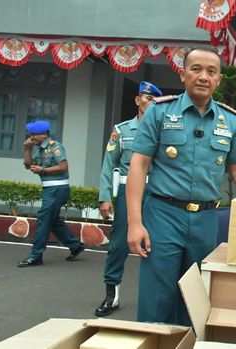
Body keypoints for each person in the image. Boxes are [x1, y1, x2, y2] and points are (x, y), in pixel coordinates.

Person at [126, 47, 236, 326]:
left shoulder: (229, 121)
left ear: (219, 79)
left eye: (211, 71)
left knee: (194, 296)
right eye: (196, 69)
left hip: (206, 219)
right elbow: (139, 166)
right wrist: (135, 223)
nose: (203, 76)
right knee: (157, 297)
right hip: (163, 215)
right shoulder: (159, 113)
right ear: (183, 74)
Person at [94, 81, 163, 316]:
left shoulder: (165, 130)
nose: (150, 102)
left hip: (157, 195)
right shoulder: (122, 131)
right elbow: (108, 165)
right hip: (127, 194)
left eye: (154, 99)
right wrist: (105, 197)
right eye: (146, 97)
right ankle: (111, 296)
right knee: (118, 245)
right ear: (137, 100)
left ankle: (157, 300)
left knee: (160, 246)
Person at [18, 120, 85, 267]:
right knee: (52, 220)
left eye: (34, 134)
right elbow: (28, 165)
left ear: (44, 134)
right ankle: (75, 246)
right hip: (49, 189)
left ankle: (36, 255)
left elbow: (63, 166)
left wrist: (42, 170)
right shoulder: (36, 148)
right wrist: (27, 149)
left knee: (43, 219)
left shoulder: (55, 147)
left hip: (58, 189)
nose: (31, 137)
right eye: (31, 134)